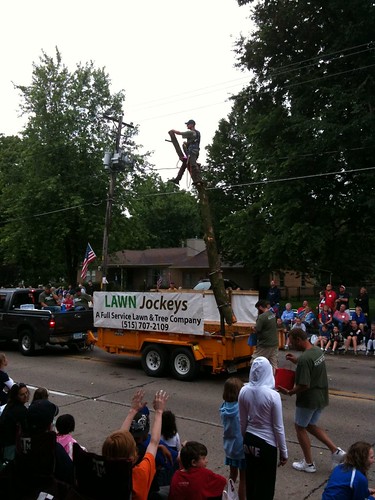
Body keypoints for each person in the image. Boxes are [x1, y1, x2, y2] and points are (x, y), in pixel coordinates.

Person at [278, 328, 346, 473]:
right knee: (310, 425)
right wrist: (296, 360)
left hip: (308, 400)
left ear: (298, 340)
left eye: (291, 341)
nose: (290, 344)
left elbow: (304, 385)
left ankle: (309, 464)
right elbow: (309, 366)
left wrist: (289, 392)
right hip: (321, 396)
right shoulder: (316, 351)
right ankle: (336, 452)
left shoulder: (305, 359)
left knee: (300, 427)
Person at [102, 388, 169, 500]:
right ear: (132, 457)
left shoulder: (103, 471)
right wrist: (159, 412)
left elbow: (120, 440)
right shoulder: (139, 474)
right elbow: (154, 443)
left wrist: (132, 411)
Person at [239, 356, 288, 500]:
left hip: (249, 440)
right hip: (267, 444)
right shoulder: (273, 396)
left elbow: (242, 422)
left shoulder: (243, 391)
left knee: (251, 481)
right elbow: (278, 427)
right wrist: (283, 451)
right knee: (265, 486)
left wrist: (243, 442)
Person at [219, 377, 246, 500]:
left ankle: (229, 494)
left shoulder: (224, 407)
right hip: (240, 447)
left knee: (232, 474)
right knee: (244, 478)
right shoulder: (240, 408)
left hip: (229, 446)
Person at [0, 382, 29, 461]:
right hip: (10, 444)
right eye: (22, 394)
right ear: (16, 396)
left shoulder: (9, 406)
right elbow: (26, 429)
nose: (25, 396)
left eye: (26, 393)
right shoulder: (21, 410)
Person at [168, 119, 201, 185]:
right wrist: (186, 143)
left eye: (188, 124)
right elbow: (193, 141)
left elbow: (180, 133)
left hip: (192, 152)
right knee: (184, 164)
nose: (187, 126)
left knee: (193, 165)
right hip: (194, 151)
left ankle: (198, 180)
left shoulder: (191, 132)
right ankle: (177, 179)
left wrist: (173, 131)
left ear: (192, 125)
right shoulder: (197, 133)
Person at [251, 300, 278, 372]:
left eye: (257, 308)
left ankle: (256, 379)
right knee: (273, 363)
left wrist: (253, 328)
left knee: (254, 361)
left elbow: (258, 329)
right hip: (274, 342)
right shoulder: (272, 314)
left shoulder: (262, 317)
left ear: (260, 307)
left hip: (265, 344)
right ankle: (274, 379)